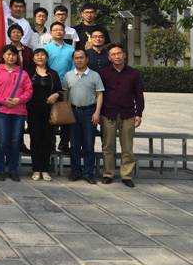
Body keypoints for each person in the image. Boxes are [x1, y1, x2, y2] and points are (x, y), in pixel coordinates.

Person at [99, 43, 144, 188]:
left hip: (128, 113)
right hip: (108, 113)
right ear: (109, 58)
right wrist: (99, 113)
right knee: (108, 146)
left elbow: (139, 95)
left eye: (119, 53)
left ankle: (126, 175)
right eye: (113, 54)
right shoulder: (103, 73)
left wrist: (139, 113)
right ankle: (108, 174)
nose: (117, 56)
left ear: (124, 55)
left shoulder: (134, 73)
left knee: (127, 147)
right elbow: (99, 94)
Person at [0, 44, 33, 181]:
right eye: (8, 54)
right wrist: (3, 100)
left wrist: (19, 100)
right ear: (3, 56)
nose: (11, 57)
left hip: (18, 111)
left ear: (16, 57)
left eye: (13, 55)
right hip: (2, 110)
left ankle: (13, 169)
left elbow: (29, 91)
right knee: (2, 141)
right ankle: (0, 169)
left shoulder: (23, 73)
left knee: (15, 141)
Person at [66, 48, 104, 184]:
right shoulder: (68, 75)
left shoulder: (95, 75)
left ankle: (88, 173)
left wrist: (97, 112)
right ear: (73, 60)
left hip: (89, 112)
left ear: (87, 59)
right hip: (73, 112)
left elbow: (100, 94)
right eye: (76, 58)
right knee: (74, 144)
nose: (79, 60)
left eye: (81, 57)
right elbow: (65, 94)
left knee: (89, 144)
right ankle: (75, 171)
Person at [26, 48, 61, 181]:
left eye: (42, 55)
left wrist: (56, 95)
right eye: (37, 55)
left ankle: (45, 169)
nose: (40, 57)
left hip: (49, 111)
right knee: (35, 139)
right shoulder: (29, 73)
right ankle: (36, 169)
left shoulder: (53, 74)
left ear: (47, 58)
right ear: (33, 58)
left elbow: (60, 90)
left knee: (47, 140)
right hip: (33, 111)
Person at [44, 21, 75, 153]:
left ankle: (64, 143)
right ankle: (50, 144)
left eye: (60, 29)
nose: (58, 32)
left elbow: (73, 67)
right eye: (55, 29)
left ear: (64, 32)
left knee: (66, 115)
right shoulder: (45, 49)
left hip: (66, 87)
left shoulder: (71, 50)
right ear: (51, 33)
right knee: (51, 117)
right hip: (49, 87)